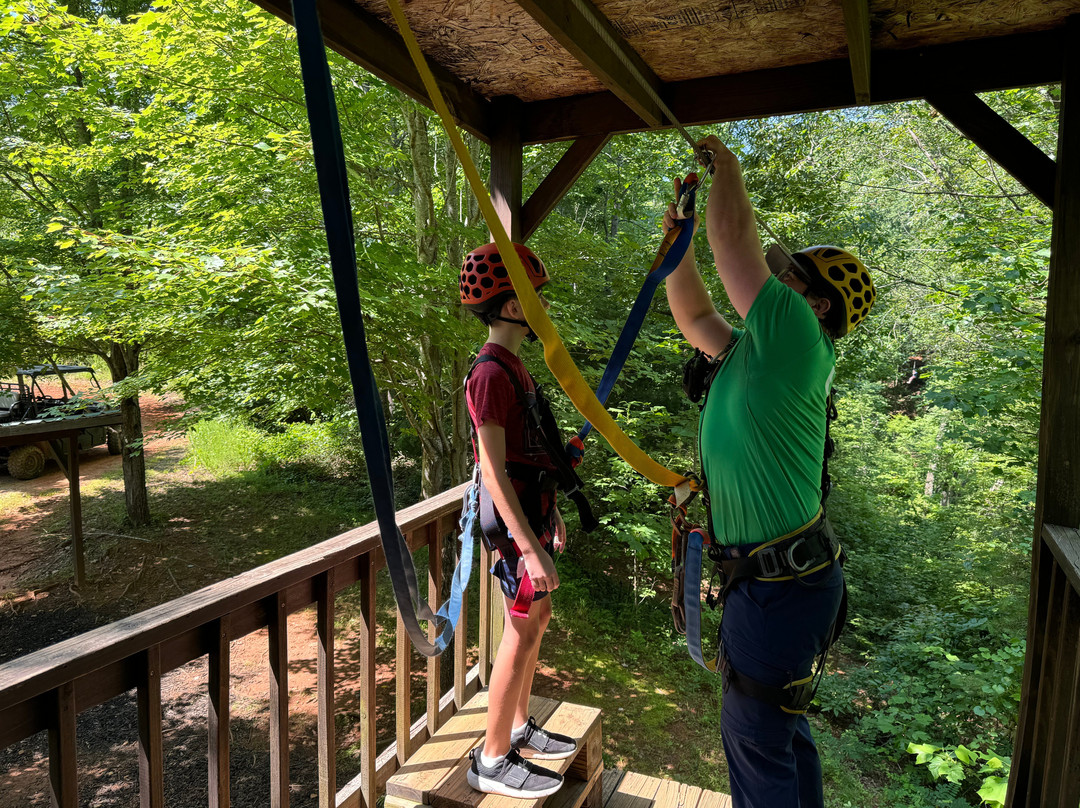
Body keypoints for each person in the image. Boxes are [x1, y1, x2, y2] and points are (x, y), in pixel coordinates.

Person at [663, 134, 875, 808]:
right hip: (779, 581)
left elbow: (734, 245)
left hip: (781, 587)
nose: (775, 281)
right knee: (776, 732)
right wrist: (677, 242)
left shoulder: (798, 338)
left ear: (817, 306)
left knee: (755, 738)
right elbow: (696, 313)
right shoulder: (755, 352)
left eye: (790, 278)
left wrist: (725, 166)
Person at [459, 242, 579, 799]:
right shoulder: (489, 374)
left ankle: (516, 727)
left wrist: (551, 510)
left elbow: (524, 454)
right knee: (522, 625)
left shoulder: (515, 367)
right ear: (512, 307)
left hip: (532, 515)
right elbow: (492, 467)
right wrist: (528, 547)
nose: (542, 308)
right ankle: (491, 759)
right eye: (536, 298)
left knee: (538, 618)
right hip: (513, 528)